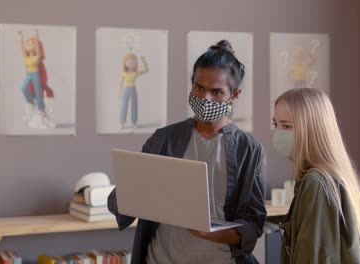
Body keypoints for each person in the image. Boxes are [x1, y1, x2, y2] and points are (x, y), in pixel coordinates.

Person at [108, 40, 267, 264]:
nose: (205, 98)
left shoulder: (249, 150)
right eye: (199, 88)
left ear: (235, 94)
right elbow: (120, 203)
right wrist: (135, 189)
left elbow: (253, 224)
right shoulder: (163, 140)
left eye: (216, 92)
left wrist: (214, 232)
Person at [272, 88, 360, 263]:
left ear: (311, 129)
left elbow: (313, 254)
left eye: (287, 126)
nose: (278, 132)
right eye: (276, 124)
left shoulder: (316, 183)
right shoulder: (331, 175)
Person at [17, 30, 55, 129]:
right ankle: (31, 102)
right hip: (29, 75)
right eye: (28, 44)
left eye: (31, 44)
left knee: (39, 93)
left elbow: (37, 48)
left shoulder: (37, 56)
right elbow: (22, 47)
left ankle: (42, 110)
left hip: (36, 75)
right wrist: (21, 39)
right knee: (24, 88)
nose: (28, 46)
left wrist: (36, 38)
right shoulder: (26, 56)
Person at [119, 53, 149, 129]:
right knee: (124, 106)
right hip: (126, 90)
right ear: (125, 63)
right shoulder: (124, 73)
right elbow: (121, 83)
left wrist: (143, 60)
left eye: (132, 62)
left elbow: (146, 70)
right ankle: (122, 122)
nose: (130, 63)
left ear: (135, 63)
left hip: (133, 89)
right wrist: (120, 92)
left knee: (134, 105)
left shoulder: (135, 73)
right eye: (128, 62)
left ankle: (134, 122)